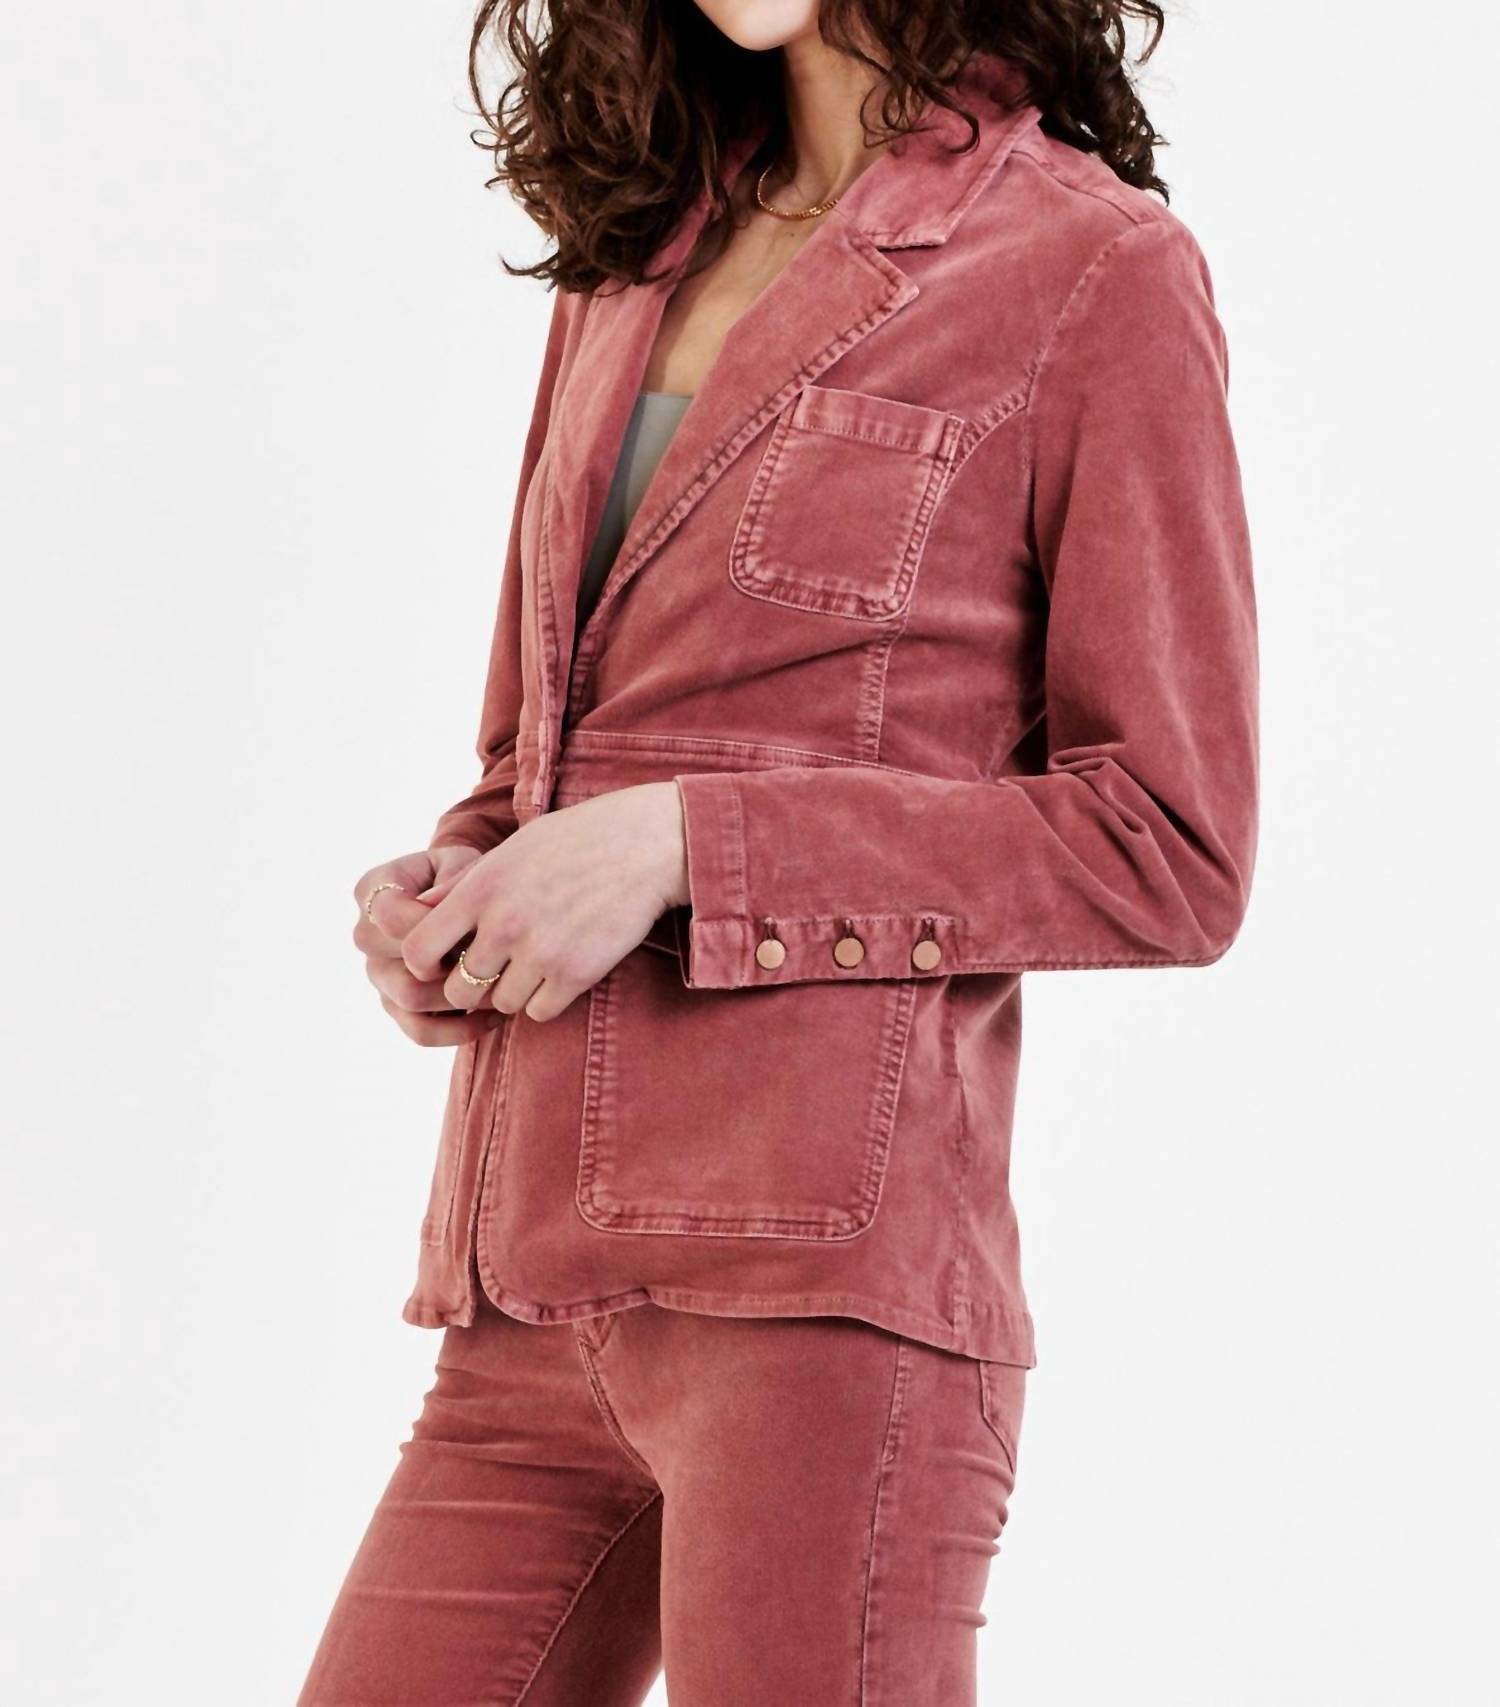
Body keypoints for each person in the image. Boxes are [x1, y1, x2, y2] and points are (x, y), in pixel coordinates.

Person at [299, 2, 1258, 1701]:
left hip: (822, 1307)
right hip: (522, 1293)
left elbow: (1165, 846)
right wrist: (463, 888)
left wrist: (694, 847)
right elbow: (541, 748)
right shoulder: (636, 249)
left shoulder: (1092, 269)